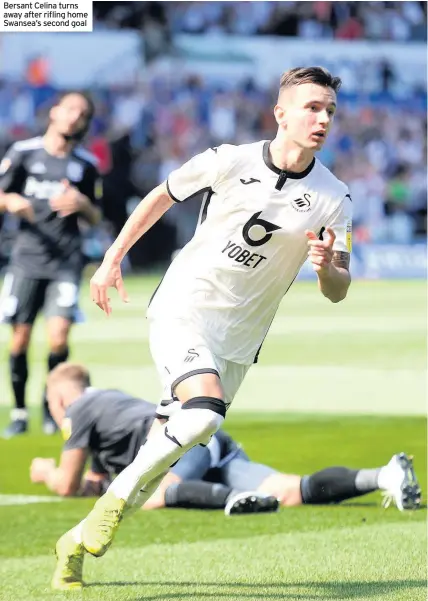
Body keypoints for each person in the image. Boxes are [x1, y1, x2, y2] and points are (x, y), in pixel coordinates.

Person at [55, 66, 356, 585]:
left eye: (329, 110)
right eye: (312, 107)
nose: (323, 118)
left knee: (160, 459)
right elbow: (159, 197)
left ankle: (76, 541)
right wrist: (112, 258)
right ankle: (109, 504)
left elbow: (338, 288)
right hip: (183, 306)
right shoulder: (229, 159)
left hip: (239, 342)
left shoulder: (334, 197)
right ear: (280, 113)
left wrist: (327, 265)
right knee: (204, 414)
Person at [48, 363, 421, 589]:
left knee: (159, 494)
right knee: (288, 489)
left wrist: (46, 473)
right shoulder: (109, 402)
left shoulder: (78, 409)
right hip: (211, 441)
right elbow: (96, 481)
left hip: (185, 443)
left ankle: (230, 499)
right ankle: (383, 476)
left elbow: (67, 485)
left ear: (61, 395)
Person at [0, 91, 102, 437]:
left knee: (58, 338)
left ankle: (48, 406)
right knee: (19, 340)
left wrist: (81, 204)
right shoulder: (23, 153)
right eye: (71, 109)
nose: (75, 117)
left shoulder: (85, 165)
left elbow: (96, 215)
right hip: (26, 258)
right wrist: (10, 200)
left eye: (83, 113)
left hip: (65, 261)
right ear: (55, 112)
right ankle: (18, 412)